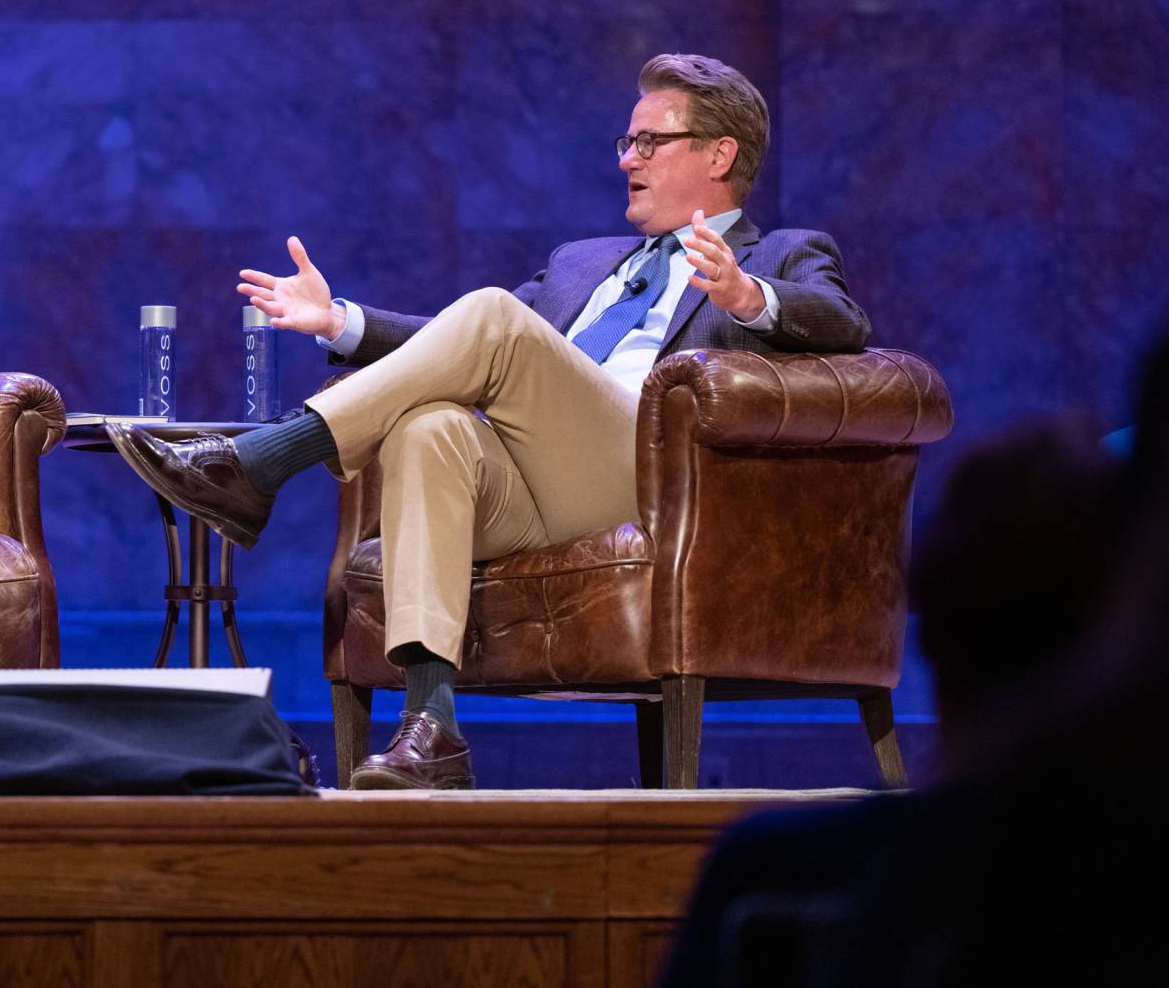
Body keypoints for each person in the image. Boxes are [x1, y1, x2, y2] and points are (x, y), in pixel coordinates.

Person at [108, 54, 870, 789]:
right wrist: (339, 321)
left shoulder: (782, 252)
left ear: (719, 155)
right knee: (428, 425)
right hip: (545, 486)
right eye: (626, 140)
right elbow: (464, 344)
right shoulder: (583, 262)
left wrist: (750, 298)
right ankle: (430, 727)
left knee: (493, 316)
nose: (626, 158)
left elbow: (843, 321)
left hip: (654, 486)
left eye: (650, 140)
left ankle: (262, 463)